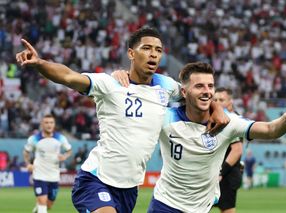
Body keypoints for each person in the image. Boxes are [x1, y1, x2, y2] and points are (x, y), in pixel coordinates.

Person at [16, 27, 228, 213]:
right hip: (96, 179)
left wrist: (217, 107)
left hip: (129, 189)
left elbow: (196, 94)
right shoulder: (110, 84)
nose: (153, 54)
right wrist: (40, 63)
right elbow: (69, 77)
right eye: (146, 48)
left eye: (158, 50)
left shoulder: (166, 86)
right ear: (131, 53)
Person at [147, 62, 286, 213]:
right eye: (199, 86)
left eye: (210, 86)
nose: (207, 91)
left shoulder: (228, 122)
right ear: (183, 92)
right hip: (165, 203)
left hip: (201, 208)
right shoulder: (165, 117)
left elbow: (270, 130)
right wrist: (124, 75)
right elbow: (145, 86)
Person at [23, 114, 72, 213]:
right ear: (42, 124)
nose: (49, 125)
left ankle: (38, 208)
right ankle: (41, 206)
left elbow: (69, 150)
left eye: (51, 122)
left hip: (54, 175)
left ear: (54, 124)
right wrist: (28, 164)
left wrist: (64, 156)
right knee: (42, 201)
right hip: (39, 174)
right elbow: (26, 152)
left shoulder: (60, 138)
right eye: (46, 122)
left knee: (49, 204)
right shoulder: (34, 139)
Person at [213, 87, 243, 213]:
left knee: (227, 210)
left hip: (226, 174)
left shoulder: (233, 120)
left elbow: (237, 150)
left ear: (230, 102)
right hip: (215, 173)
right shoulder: (216, 118)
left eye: (221, 99)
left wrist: (220, 173)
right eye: (215, 99)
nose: (217, 102)